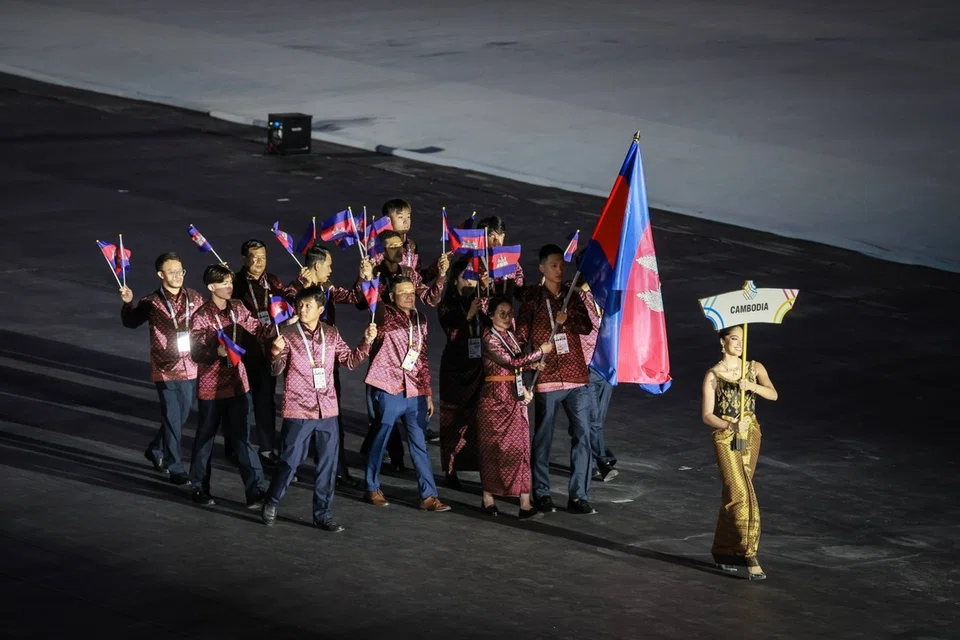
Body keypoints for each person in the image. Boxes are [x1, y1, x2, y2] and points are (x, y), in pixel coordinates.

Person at [262, 286, 377, 532]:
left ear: (321, 309)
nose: (303, 310)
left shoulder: (331, 333)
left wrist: (366, 341)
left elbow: (350, 361)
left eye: (308, 306)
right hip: (298, 408)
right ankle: (271, 500)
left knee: (327, 464)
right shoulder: (287, 333)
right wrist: (274, 351)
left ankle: (323, 514)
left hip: (327, 410)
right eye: (300, 305)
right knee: (290, 461)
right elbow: (275, 371)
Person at [357, 230, 448, 467]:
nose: (400, 250)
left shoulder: (408, 273)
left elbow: (430, 299)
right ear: (382, 250)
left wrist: (441, 274)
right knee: (383, 411)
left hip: (408, 337)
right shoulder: (374, 271)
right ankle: (381, 459)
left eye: (401, 246)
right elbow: (363, 302)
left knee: (400, 409)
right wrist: (365, 279)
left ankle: (392, 457)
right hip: (384, 341)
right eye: (393, 246)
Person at [516, 244, 595, 515]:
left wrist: (568, 318)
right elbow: (522, 334)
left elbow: (586, 326)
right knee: (543, 436)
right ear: (541, 268)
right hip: (546, 375)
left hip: (575, 375)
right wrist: (523, 368)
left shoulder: (571, 296)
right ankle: (541, 493)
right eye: (553, 265)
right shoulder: (533, 298)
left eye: (562, 265)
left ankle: (578, 496)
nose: (559, 269)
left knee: (584, 435)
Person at [362, 276, 450, 512]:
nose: (410, 296)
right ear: (392, 296)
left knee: (419, 443)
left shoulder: (421, 318)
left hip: (415, 389)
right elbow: (371, 300)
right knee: (381, 439)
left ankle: (428, 495)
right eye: (403, 293)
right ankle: (372, 486)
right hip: (389, 387)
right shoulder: (383, 315)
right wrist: (367, 277)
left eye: (412, 292)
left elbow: (421, 356)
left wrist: (428, 391)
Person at [289, 245, 372, 484]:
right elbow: (284, 316)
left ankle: (336, 470)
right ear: (317, 266)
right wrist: (301, 287)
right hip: (302, 368)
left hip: (327, 364)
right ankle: (291, 468)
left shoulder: (328, 289)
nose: (331, 270)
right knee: (300, 422)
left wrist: (362, 275)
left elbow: (355, 297)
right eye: (329, 265)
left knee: (331, 420)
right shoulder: (294, 290)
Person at [700, 325, 778, 580]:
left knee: (733, 494)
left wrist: (752, 387)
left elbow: (773, 395)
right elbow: (707, 415)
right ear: (722, 342)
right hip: (726, 437)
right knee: (741, 493)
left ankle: (723, 551)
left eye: (742, 340)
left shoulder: (754, 368)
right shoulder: (713, 375)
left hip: (751, 434)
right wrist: (731, 425)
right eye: (734, 339)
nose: (740, 344)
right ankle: (748, 553)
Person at [187, 264, 268, 507]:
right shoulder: (201, 316)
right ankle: (199, 486)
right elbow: (195, 353)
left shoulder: (239, 308)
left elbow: (258, 329)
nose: (229, 286)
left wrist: (281, 328)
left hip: (238, 383)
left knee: (243, 438)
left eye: (230, 281)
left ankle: (255, 490)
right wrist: (216, 351)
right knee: (206, 438)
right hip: (211, 387)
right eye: (223, 283)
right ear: (211, 287)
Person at [121, 252, 203, 485]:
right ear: (161, 275)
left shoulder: (195, 298)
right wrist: (128, 303)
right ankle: (175, 467)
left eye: (180, 271)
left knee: (182, 415)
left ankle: (156, 449)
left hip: (191, 365)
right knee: (172, 416)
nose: (178, 276)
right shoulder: (151, 302)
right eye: (172, 272)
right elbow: (130, 322)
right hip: (166, 368)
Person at [476, 296, 552, 519]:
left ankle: (525, 502)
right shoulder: (489, 337)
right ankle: (488, 498)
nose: (508, 317)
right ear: (491, 315)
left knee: (521, 449)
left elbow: (518, 362)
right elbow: (510, 363)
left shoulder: (510, 335)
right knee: (493, 450)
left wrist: (532, 364)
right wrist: (539, 351)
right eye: (502, 313)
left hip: (515, 397)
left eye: (510, 313)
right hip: (495, 400)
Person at [233, 239, 296, 465]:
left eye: (263, 257)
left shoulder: (273, 281)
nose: (259, 262)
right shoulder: (235, 282)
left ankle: (267, 447)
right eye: (254, 257)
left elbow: (287, 300)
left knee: (265, 400)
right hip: (242, 350)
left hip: (268, 349)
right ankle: (237, 446)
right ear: (244, 259)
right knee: (241, 403)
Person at [436, 258, 489, 488]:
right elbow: (452, 333)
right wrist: (469, 314)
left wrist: (487, 295)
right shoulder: (446, 303)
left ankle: (483, 468)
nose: (471, 281)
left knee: (480, 420)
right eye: (466, 277)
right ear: (454, 280)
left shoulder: (481, 300)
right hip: (456, 370)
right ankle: (450, 469)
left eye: (474, 277)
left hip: (480, 366)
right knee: (453, 419)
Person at [576, 249, 618, 483]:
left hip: (606, 368)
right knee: (591, 420)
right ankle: (602, 461)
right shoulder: (576, 298)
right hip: (586, 367)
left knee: (596, 421)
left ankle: (589, 461)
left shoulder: (607, 297)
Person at [475, 216, 525, 300]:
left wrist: (541, 287)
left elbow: (521, 294)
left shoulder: (510, 260)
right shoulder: (473, 261)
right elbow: (462, 296)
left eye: (500, 235)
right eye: (492, 235)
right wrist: (481, 287)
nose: (497, 240)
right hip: (481, 312)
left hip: (505, 311)